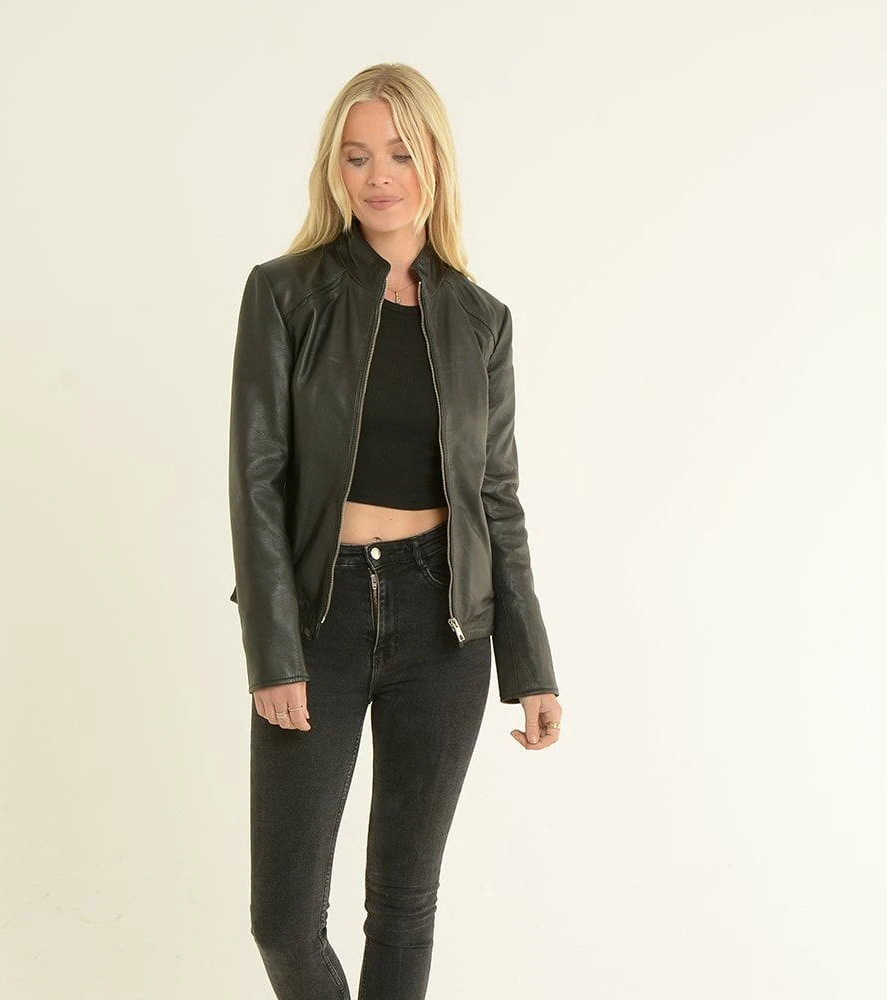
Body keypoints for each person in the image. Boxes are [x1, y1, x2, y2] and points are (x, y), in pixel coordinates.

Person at [228, 62, 563, 1000]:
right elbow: (256, 481)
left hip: (444, 624)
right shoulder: (285, 293)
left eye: (401, 153)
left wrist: (530, 666)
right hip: (319, 616)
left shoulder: (481, 319)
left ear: (435, 162)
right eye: (357, 156)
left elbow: (497, 499)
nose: (379, 175)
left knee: (405, 907)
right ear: (333, 171)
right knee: (284, 921)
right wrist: (273, 651)